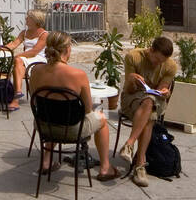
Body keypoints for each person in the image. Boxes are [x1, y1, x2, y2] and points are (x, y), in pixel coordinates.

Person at [27, 32, 119, 181]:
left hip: (44, 125)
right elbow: (88, 109)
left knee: (54, 112)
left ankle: (46, 161)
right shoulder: (78, 74)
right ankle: (105, 167)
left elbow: (34, 99)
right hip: (71, 130)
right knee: (101, 116)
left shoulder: (36, 70)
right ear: (67, 49)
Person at [116, 35, 178, 188]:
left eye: (162, 61)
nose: (158, 64)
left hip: (154, 100)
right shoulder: (134, 57)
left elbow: (160, 91)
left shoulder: (170, 66)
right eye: (156, 59)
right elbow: (129, 90)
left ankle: (129, 145)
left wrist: (165, 92)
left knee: (150, 102)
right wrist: (131, 79)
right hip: (132, 97)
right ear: (150, 50)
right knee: (150, 114)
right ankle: (140, 166)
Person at [7, 9, 48, 111]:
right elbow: (13, 44)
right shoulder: (24, 32)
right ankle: (17, 94)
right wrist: (1, 48)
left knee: (18, 60)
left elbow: (34, 52)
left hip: (39, 59)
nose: (26, 19)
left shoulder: (44, 34)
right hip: (25, 59)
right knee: (18, 62)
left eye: (28, 17)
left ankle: (16, 99)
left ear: (35, 20)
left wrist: (17, 56)